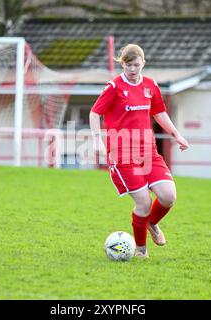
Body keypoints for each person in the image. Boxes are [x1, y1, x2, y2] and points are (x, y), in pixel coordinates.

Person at [89, 44, 189, 258]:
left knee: (168, 196)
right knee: (143, 201)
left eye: (136, 65)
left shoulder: (150, 85)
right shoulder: (114, 87)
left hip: (149, 152)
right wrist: (97, 140)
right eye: (128, 65)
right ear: (122, 64)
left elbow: (159, 112)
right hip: (122, 153)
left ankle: (151, 222)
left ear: (143, 63)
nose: (133, 70)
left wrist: (176, 135)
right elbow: (94, 113)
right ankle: (141, 251)